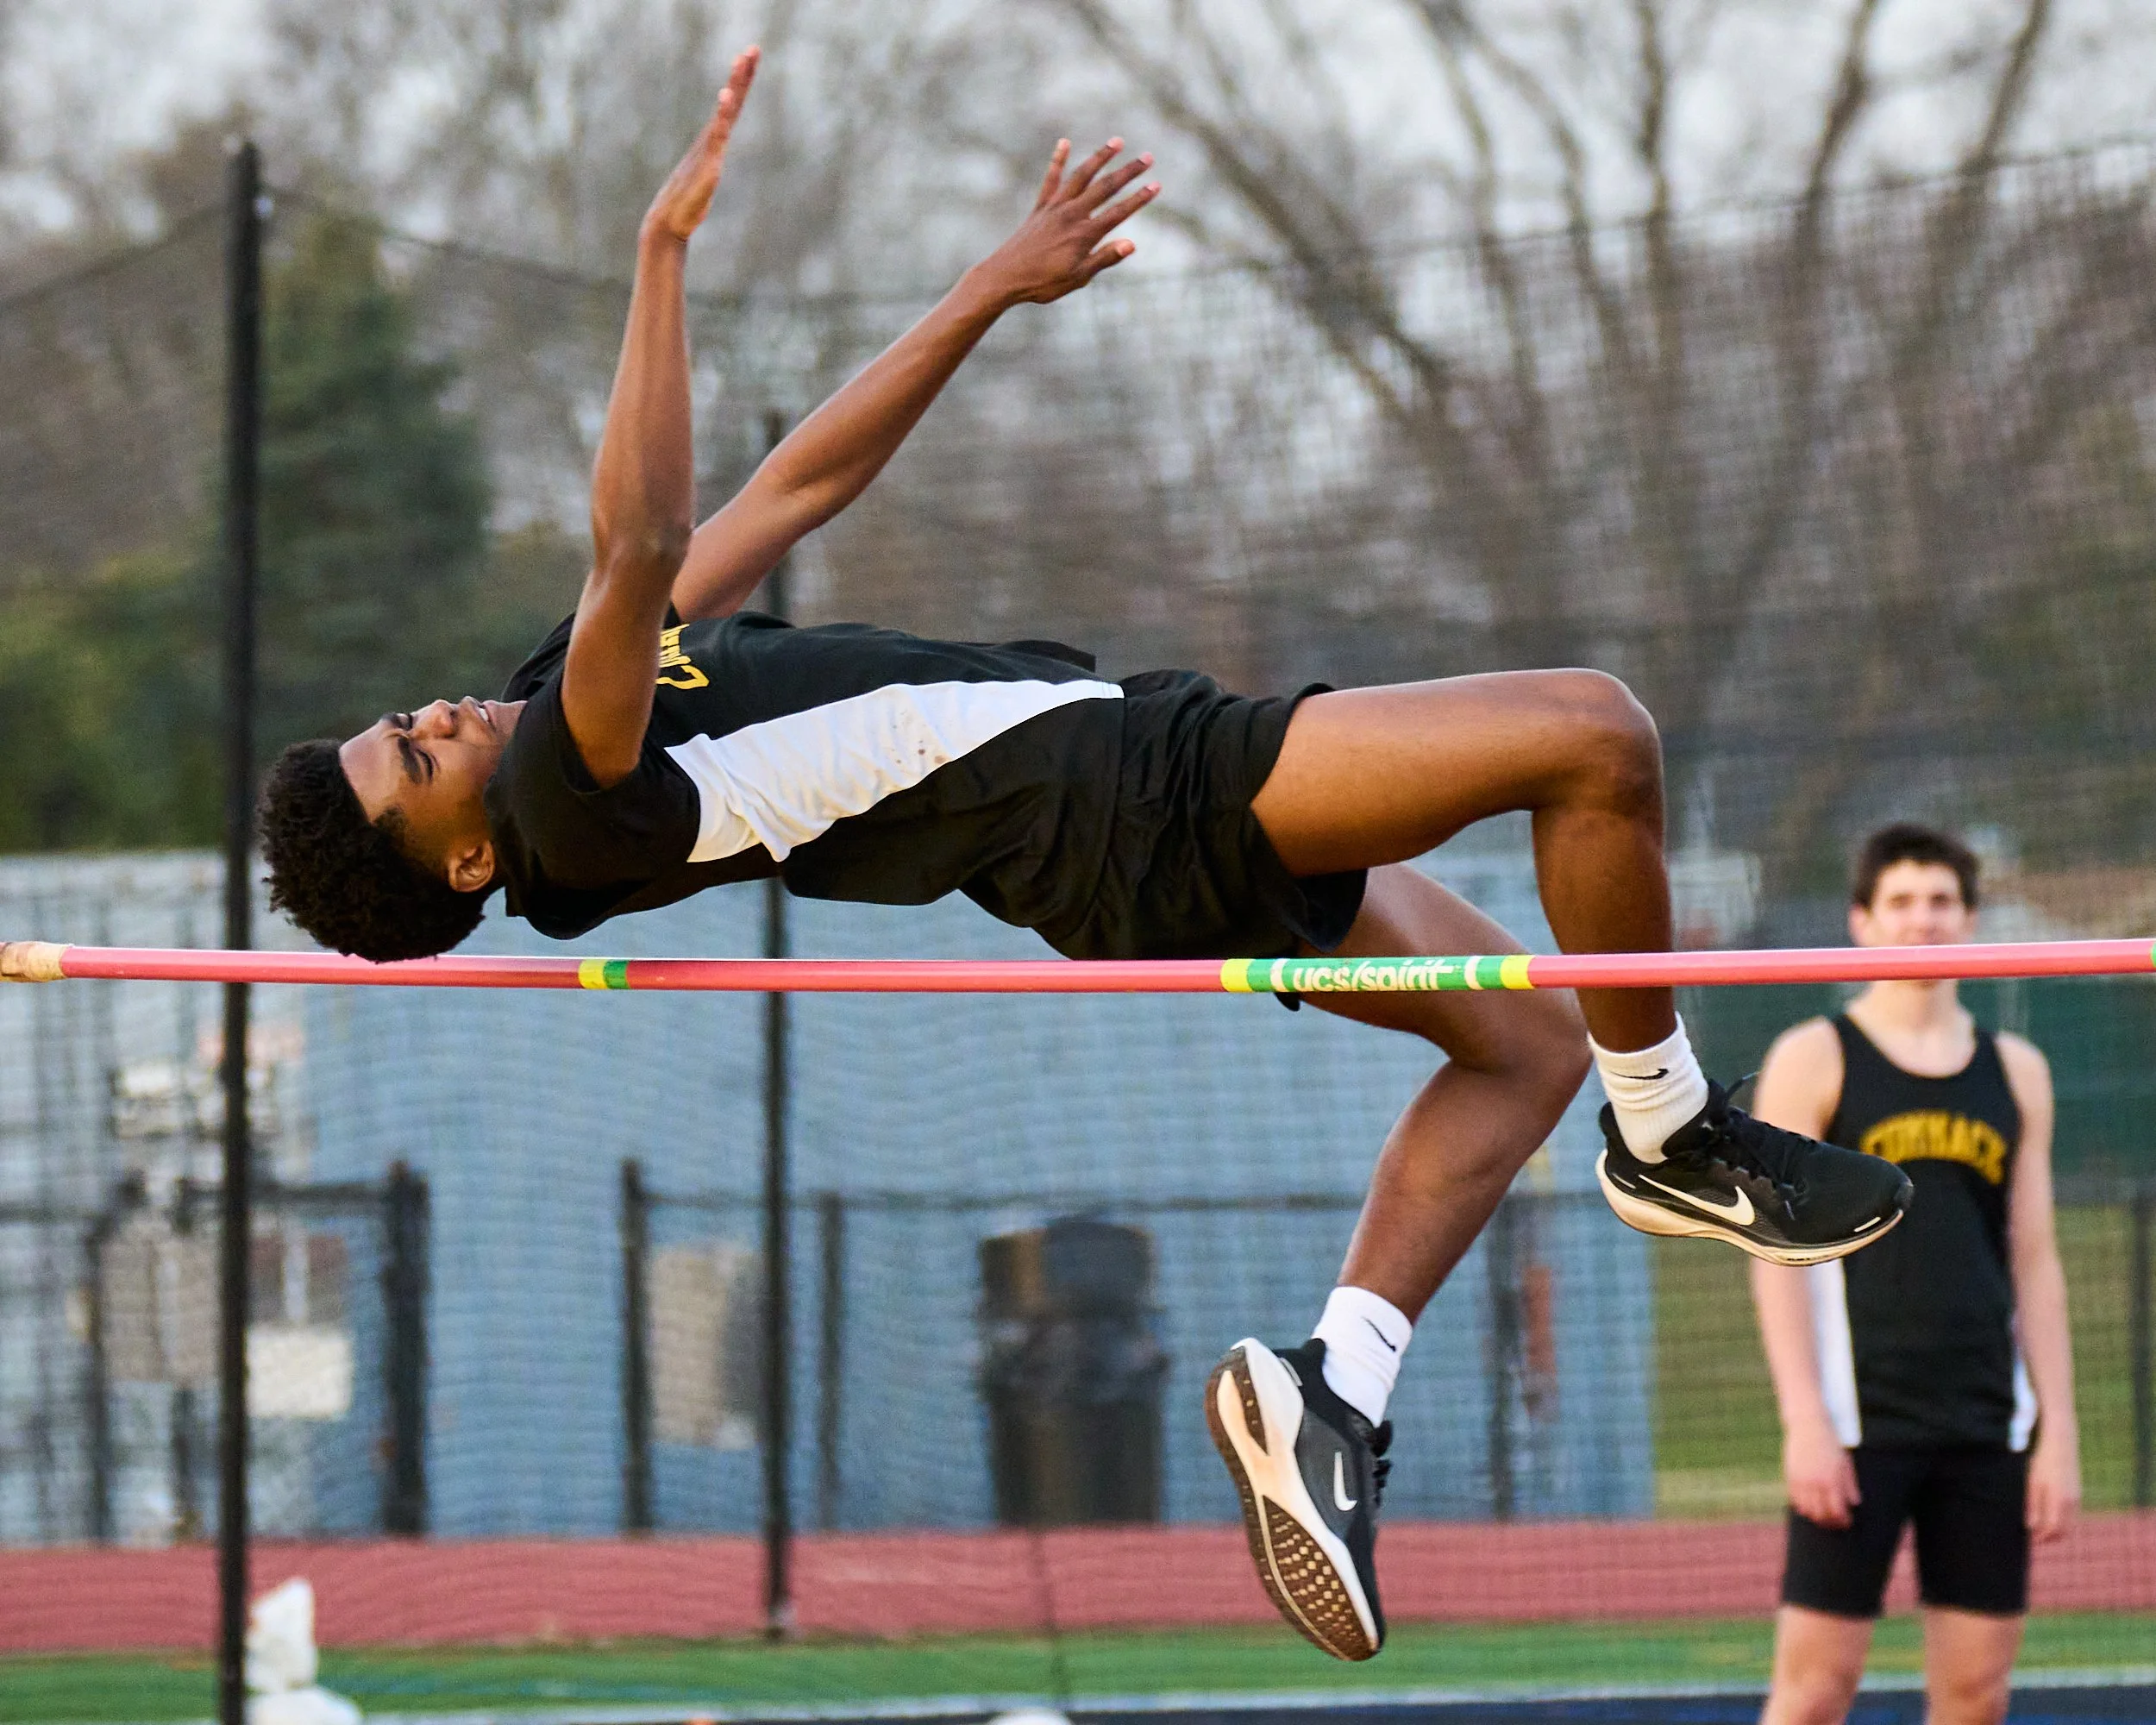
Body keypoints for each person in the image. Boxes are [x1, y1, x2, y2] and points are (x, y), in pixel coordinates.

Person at [255, 50, 1912, 1663]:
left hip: (1097, 817)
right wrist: (660, 253)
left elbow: (792, 489)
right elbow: (644, 537)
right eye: (418, 755)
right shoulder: (563, 798)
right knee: (1596, 737)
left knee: (1531, 1038)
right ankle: (1676, 1134)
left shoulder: (555, 712)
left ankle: (1334, 1394)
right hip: (1121, 796)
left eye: (409, 716)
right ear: (466, 862)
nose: (438, 713)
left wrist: (987, 286)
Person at [1748, 825, 2080, 1725]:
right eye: (1900, 902)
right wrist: (1804, 1417)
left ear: (1971, 919)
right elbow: (1776, 1250)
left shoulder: (2017, 1070)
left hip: (1983, 1421)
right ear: (1861, 920)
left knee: (1975, 1696)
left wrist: (2057, 1429)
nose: (1922, 920)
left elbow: (2035, 1257)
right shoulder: (1814, 1056)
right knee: (1814, 1691)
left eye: (1940, 901)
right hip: (1857, 1427)